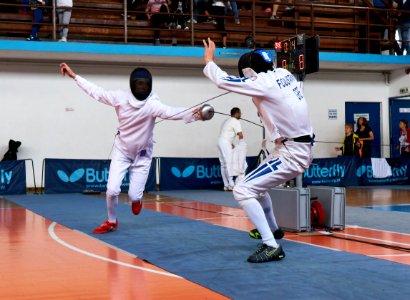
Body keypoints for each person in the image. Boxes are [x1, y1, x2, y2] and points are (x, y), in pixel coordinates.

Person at [203, 38, 314, 263]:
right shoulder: (284, 74)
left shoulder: (263, 82)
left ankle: (271, 245)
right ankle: (273, 229)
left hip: (292, 153)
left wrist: (209, 61)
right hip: (293, 146)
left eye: (246, 75)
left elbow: (223, 80)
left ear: (250, 71)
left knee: (242, 190)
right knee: (257, 187)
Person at [59, 62, 204, 234]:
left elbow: (172, 112)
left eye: (145, 84)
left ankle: (137, 199)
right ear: (132, 84)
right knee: (111, 190)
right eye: (139, 83)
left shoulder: (153, 104)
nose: (142, 87)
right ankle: (111, 221)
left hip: (142, 155)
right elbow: (96, 92)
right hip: (122, 151)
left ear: (150, 85)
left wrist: (195, 113)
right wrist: (75, 77)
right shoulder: (120, 97)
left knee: (134, 196)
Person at [218, 107, 244, 191]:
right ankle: (231, 184)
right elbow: (240, 135)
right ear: (236, 113)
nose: (241, 115)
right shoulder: (236, 121)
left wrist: (231, 144)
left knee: (223, 164)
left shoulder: (227, 121)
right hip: (225, 142)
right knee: (229, 163)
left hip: (220, 142)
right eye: (240, 113)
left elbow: (226, 134)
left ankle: (226, 185)